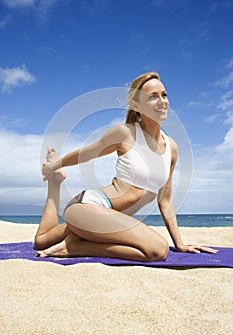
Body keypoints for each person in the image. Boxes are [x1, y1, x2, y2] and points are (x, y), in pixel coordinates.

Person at [34, 71, 218, 260]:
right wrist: (54, 164)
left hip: (107, 219)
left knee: (42, 241)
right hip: (88, 206)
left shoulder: (172, 147)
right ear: (136, 105)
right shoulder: (126, 133)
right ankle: (73, 246)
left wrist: (180, 244)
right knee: (158, 249)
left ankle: (55, 183)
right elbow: (87, 153)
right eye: (153, 97)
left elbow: (165, 199)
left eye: (164, 95)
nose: (162, 101)